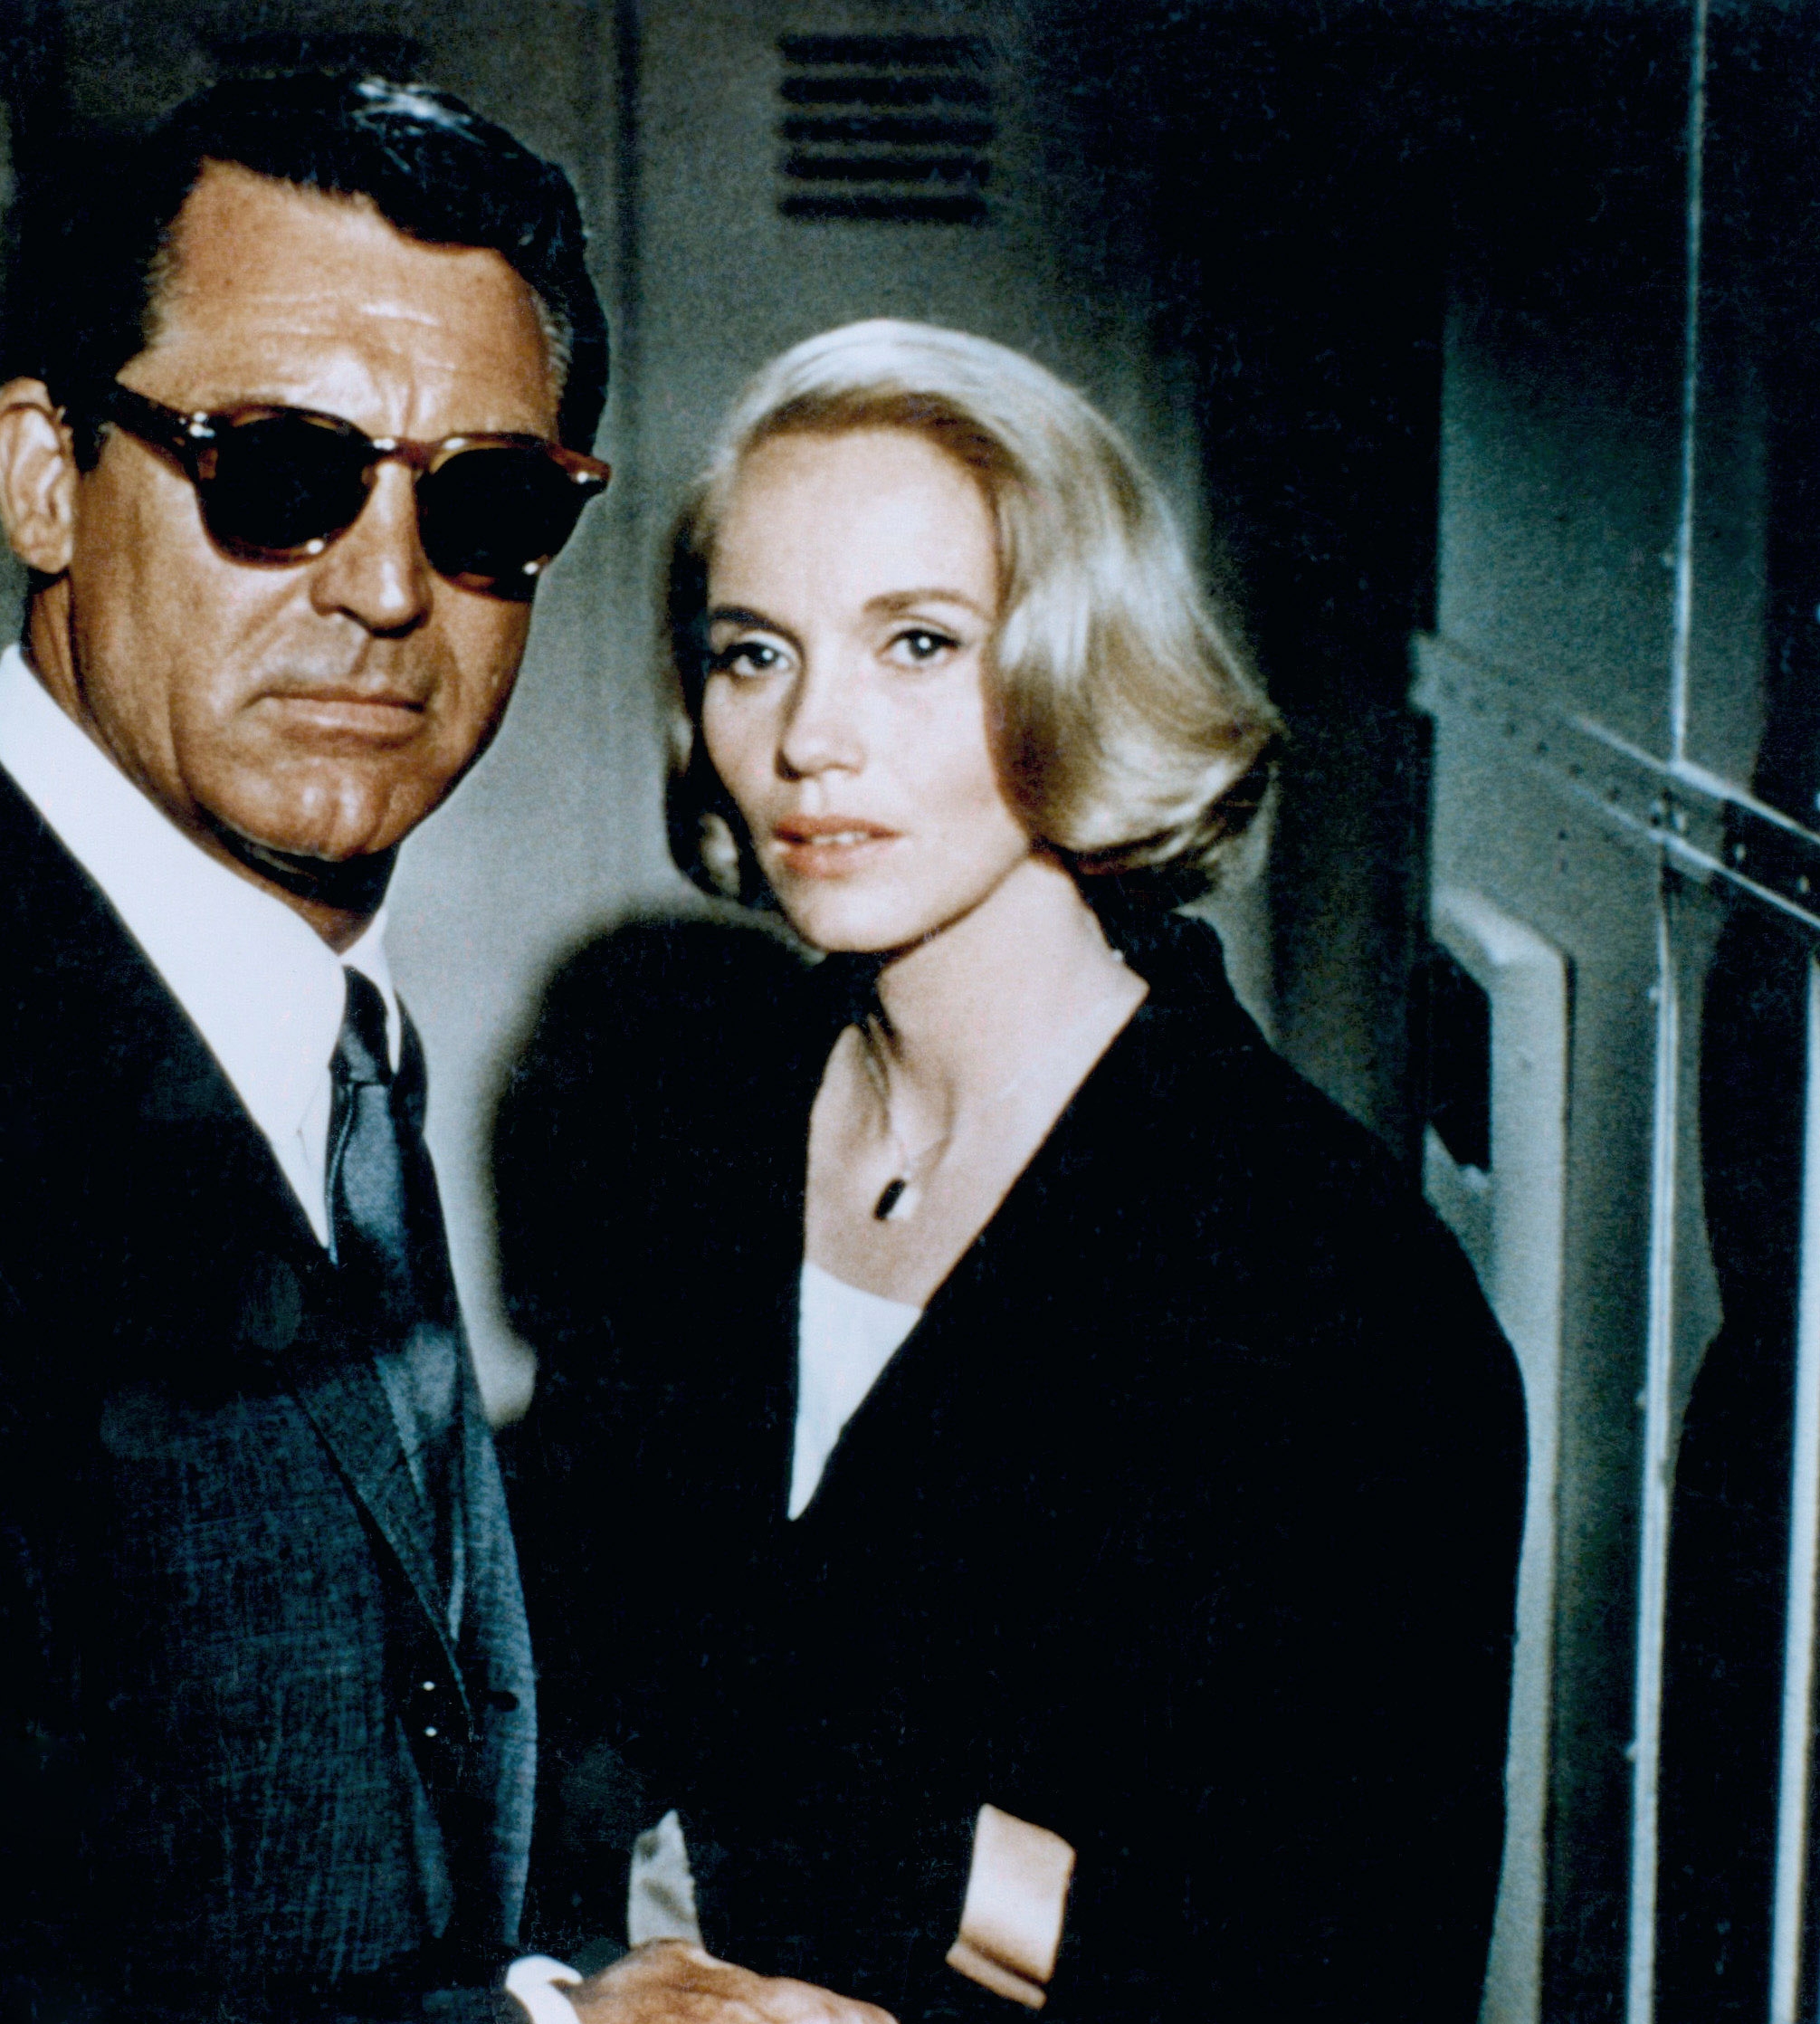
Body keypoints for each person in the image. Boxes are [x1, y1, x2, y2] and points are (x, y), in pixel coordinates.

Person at [0, 73, 883, 2024]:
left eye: (482, 505)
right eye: (277, 473)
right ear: (44, 476)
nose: (383, 588)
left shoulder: (298, 1016)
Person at [501, 320, 1529, 2020]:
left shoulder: (1323, 1279)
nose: (811, 738)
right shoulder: (696, 1142)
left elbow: (1354, 1970)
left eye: (917, 643)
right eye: (753, 653)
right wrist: (587, 1980)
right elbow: (563, 1711)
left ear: (1078, 671)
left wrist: (858, 1812)